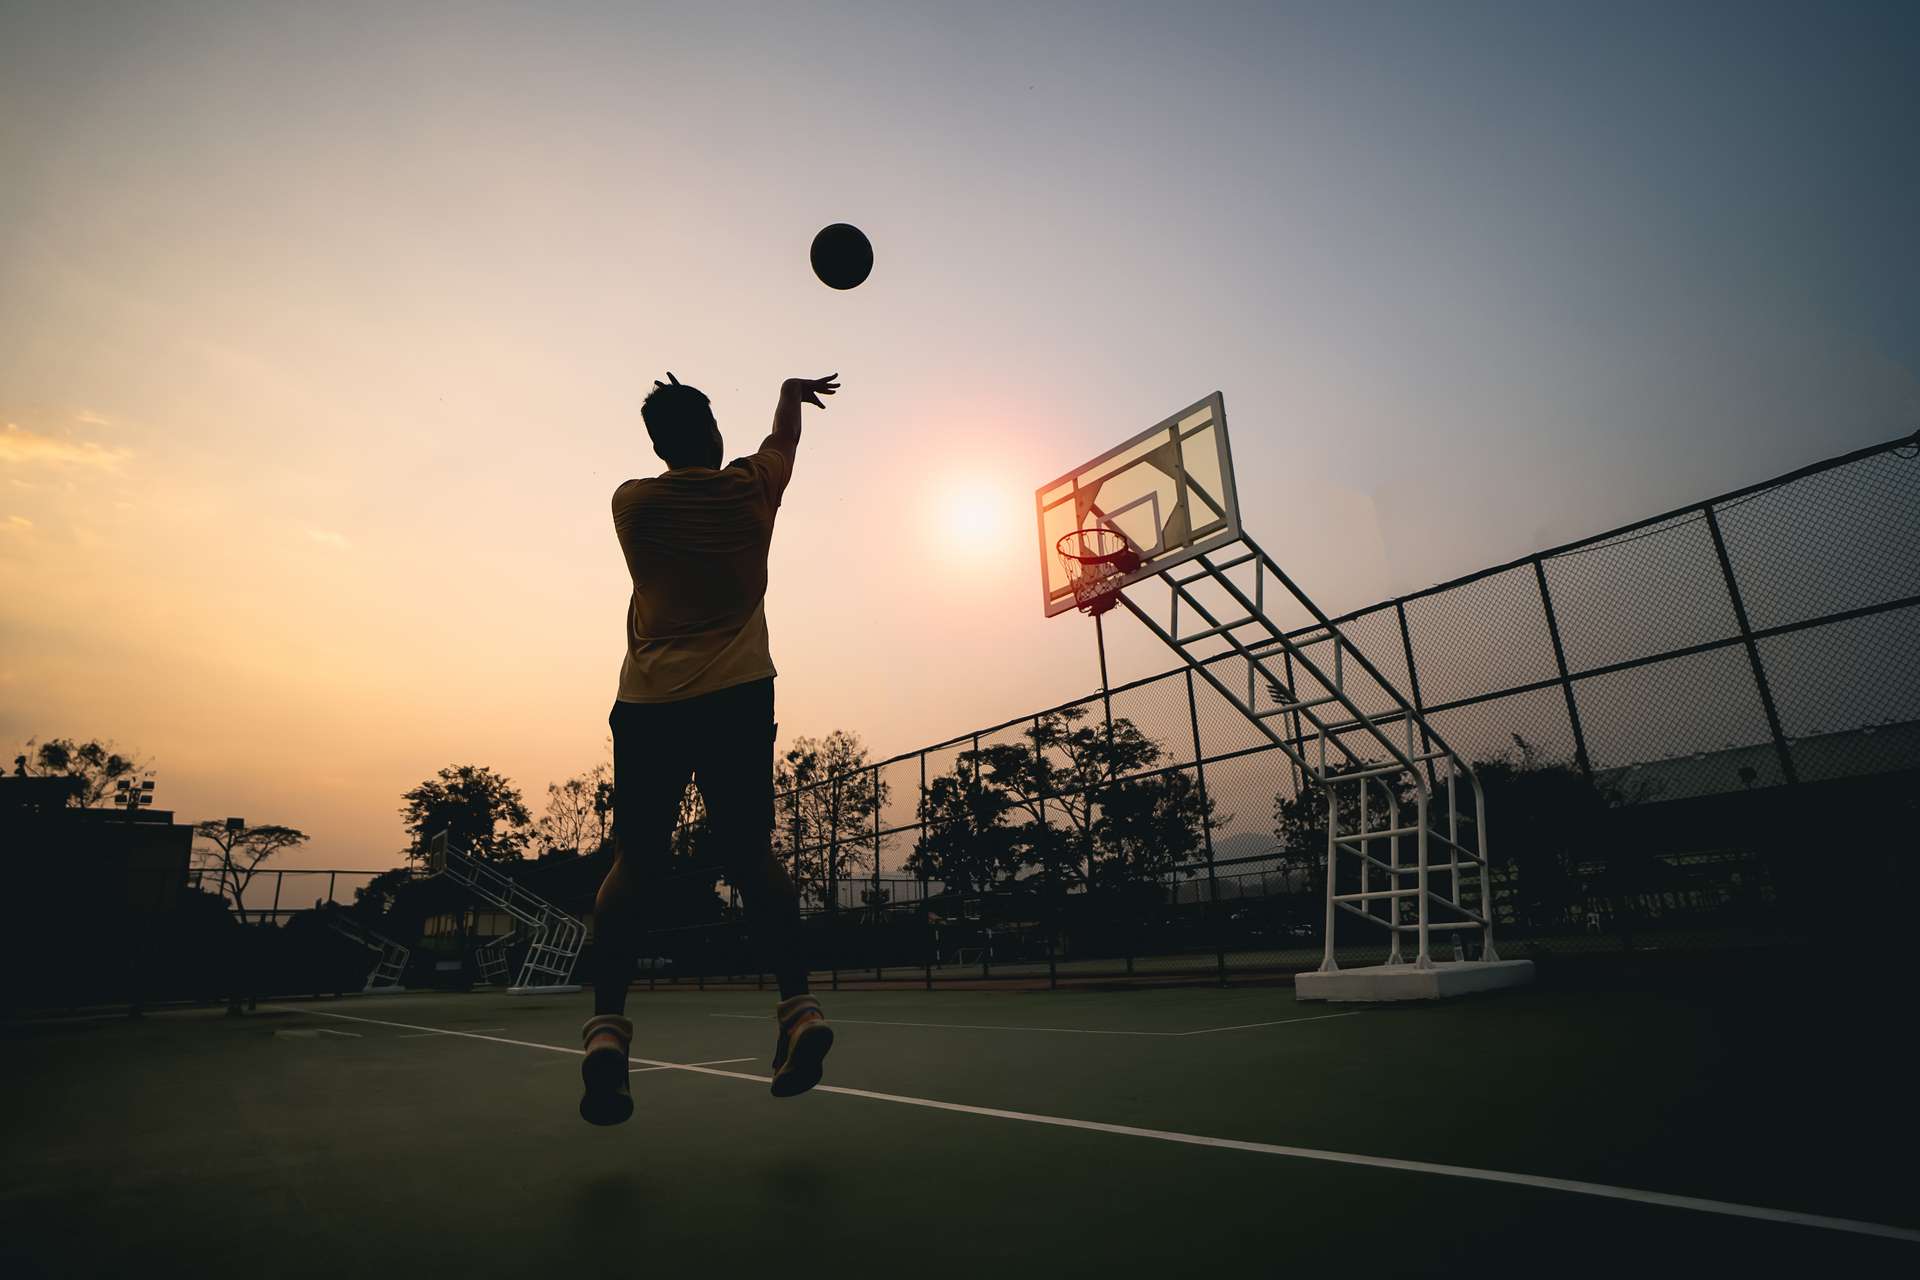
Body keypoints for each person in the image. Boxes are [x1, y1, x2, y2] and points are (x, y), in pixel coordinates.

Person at [578, 371, 841, 1127]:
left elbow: (729, 453)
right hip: (737, 695)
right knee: (752, 855)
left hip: (651, 702)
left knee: (635, 860)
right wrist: (790, 391)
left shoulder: (633, 503)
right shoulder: (750, 492)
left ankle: (606, 1033)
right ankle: (798, 1012)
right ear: (714, 435)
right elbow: (782, 440)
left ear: (659, 445)